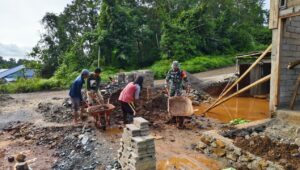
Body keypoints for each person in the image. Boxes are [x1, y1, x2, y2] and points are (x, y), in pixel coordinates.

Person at [165, 61, 190, 128]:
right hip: (172, 88)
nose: (175, 67)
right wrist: (166, 85)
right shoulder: (170, 71)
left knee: (178, 100)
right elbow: (167, 79)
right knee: (171, 100)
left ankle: (179, 116)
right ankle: (172, 116)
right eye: (174, 66)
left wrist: (188, 86)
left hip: (179, 88)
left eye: (176, 66)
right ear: (172, 66)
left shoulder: (182, 72)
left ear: (178, 66)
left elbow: (186, 80)